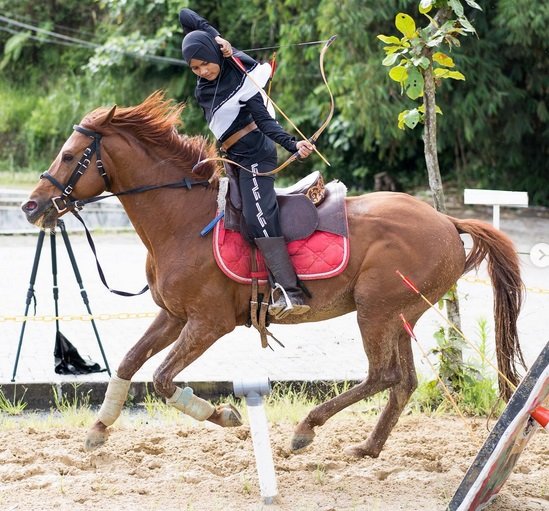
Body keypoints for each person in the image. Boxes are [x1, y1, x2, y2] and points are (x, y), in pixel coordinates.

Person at [179, 8, 315, 319]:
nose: (201, 71)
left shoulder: (242, 79)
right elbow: (186, 15)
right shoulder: (204, 87)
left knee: (257, 216)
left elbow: (265, 122)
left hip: (257, 154)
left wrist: (294, 144)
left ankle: (290, 292)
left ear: (216, 55)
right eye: (194, 67)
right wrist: (217, 39)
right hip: (232, 158)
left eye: (204, 63)